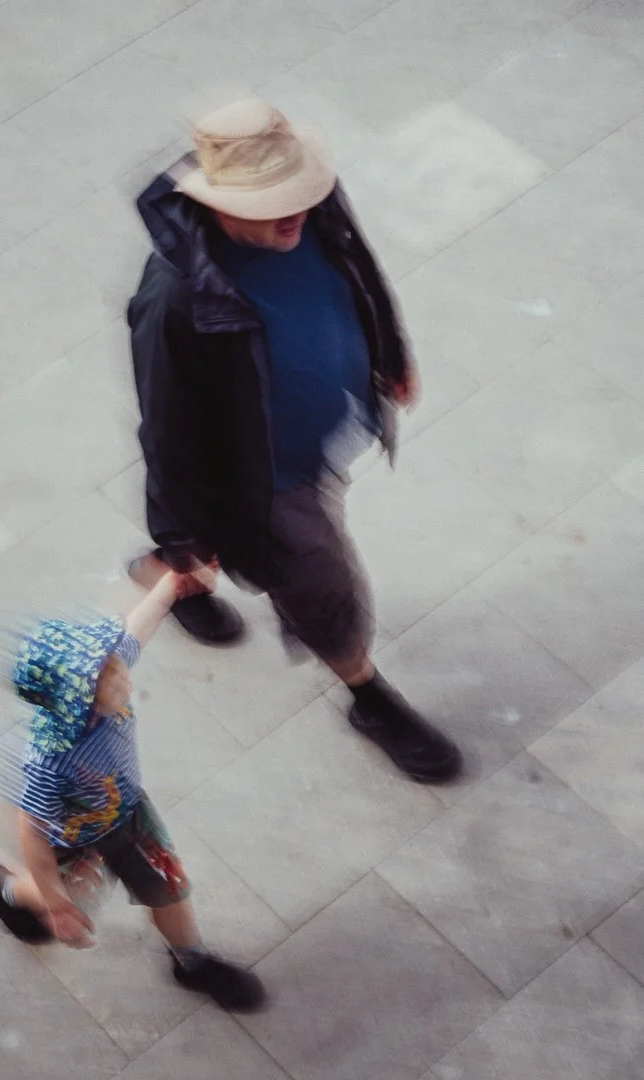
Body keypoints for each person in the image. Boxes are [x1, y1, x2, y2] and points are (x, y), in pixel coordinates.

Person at [127, 99, 462, 785]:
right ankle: (368, 696)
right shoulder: (175, 302)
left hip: (317, 434)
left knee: (210, 554)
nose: (295, 212)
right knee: (324, 588)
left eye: (299, 194)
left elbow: (357, 265)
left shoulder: (309, 202)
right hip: (269, 478)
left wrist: (388, 348)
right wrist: (181, 522)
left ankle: (177, 572)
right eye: (271, 202)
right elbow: (166, 430)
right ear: (217, 204)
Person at [0, 569, 265, 1012]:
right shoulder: (50, 759)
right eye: (108, 674)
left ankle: (191, 962)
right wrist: (55, 905)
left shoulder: (108, 672)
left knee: (169, 887)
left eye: (113, 663)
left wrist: (173, 582)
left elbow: (137, 626)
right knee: (64, 892)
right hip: (69, 840)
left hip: (128, 812)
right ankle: (10, 892)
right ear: (78, 703)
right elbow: (31, 829)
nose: (121, 672)